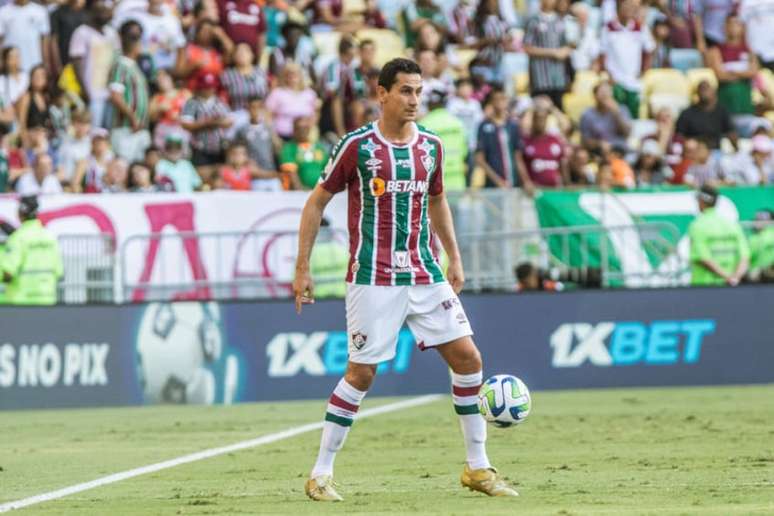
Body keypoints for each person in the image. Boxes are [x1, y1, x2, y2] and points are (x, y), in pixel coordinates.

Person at [293, 57, 517, 502]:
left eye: (419, 91)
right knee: (361, 374)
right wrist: (302, 266)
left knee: (469, 359)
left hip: (424, 270)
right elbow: (316, 203)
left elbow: (438, 202)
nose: (414, 99)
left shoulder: (431, 146)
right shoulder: (357, 146)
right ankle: (320, 473)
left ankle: (477, 468)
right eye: (406, 91)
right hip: (373, 275)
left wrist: (454, 256)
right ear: (382, 93)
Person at [0, 196, 63, 305]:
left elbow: (8, 274)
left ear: (20, 213)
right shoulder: (50, 237)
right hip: (47, 300)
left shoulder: (18, 238)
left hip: (21, 302)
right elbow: (59, 272)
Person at [69, 0, 120, 128]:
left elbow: (117, 60)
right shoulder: (82, 32)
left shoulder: (112, 33)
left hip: (110, 93)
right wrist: (85, 90)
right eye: (100, 11)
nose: (104, 14)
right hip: (92, 93)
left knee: (107, 132)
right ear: (92, 12)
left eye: (106, 11)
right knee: (93, 131)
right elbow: (76, 63)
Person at [599, 0, 655, 118]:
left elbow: (650, 49)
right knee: (616, 117)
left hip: (633, 80)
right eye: (626, 7)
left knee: (633, 117)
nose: (629, 10)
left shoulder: (640, 27)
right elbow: (602, 54)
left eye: (631, 7)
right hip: (615, 81)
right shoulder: (608, 28)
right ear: (618, 8)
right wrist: (609, 75)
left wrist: (644, 70)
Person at [107, 20, 151, 164]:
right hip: (125, 129)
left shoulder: (134, 66)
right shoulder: (121, 64)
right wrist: (132, 117)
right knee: (123, 167)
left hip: (137, 130)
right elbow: (115, 96)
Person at [688, 184, 749, 286]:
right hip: (731, 286)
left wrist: (727, 277)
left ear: (701, 202)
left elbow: (703, 258)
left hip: (704, 286)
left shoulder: (697, 225)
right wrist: (734, 278)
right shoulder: (732, 224)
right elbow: (744, 257)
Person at [475, 86, 532, 192]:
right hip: (493, 188)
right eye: (496, 99)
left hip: (513, 184)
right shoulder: (484, 126)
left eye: (503, 98)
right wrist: (498, 181)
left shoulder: (513, 125)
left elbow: (517, 157)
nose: (500, 102)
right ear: (491, 102)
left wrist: (526, 180)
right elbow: (479, 159)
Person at [523, 0, 572, 110]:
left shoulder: (560, 20)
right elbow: (527, 47)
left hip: (559, 78)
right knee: (540, 111)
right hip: (540, 79)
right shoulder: (534, 20)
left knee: (558, 111)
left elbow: (569, 44)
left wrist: (565, 51)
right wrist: (552, 53)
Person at [420, 88, 468, 191]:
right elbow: (464, 152)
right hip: (457, 180)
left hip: (434, 183)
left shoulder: (423, 125)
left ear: (428, 104)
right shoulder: (457, 123)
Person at [675, 80, 737, 151]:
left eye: (706, 88)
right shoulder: (687, 113)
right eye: (701, 89)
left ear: (714, 91)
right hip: (693, 151)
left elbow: (731, 132)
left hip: (714, 151)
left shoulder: (722, 111)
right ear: (697, 92)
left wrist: (736, 149)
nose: (704, 91)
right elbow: (679, 136)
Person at [579, 81, 632, 156]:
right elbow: (585, 141)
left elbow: (627, 133)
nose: (605, 95)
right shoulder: (587, 114)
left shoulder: (622, 109)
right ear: (594, 96)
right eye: (602, 92)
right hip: (598, 151)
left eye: (607, 91)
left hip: (620, 149)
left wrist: (617, 114)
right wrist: (599, 144)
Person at [521, 104, 568, 187]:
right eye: (537, 119)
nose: (540, 122)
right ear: (533, 120)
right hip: (534, 191)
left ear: (546, 120)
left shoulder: (554, 139)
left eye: (543, 119)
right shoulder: (526, 141)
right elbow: (520, 162)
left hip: (554, 191)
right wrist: (526, 181)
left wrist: (566, 183)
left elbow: (562, 162)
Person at [0, 0, 51, 73]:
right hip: (10, 64)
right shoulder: (3, 12)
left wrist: (46, 62)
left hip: (34, 64)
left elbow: (44, 40)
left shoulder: (40, 11)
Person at [279, 115, 327, 190]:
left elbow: (327, 170)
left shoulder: (319, 147)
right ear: (294, 130)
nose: (302, 131)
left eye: (305, 128)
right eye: (299, 128)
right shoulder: (288, 148)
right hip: (300, 193)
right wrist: (300, 190)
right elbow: (291, 172)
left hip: (320, 191)